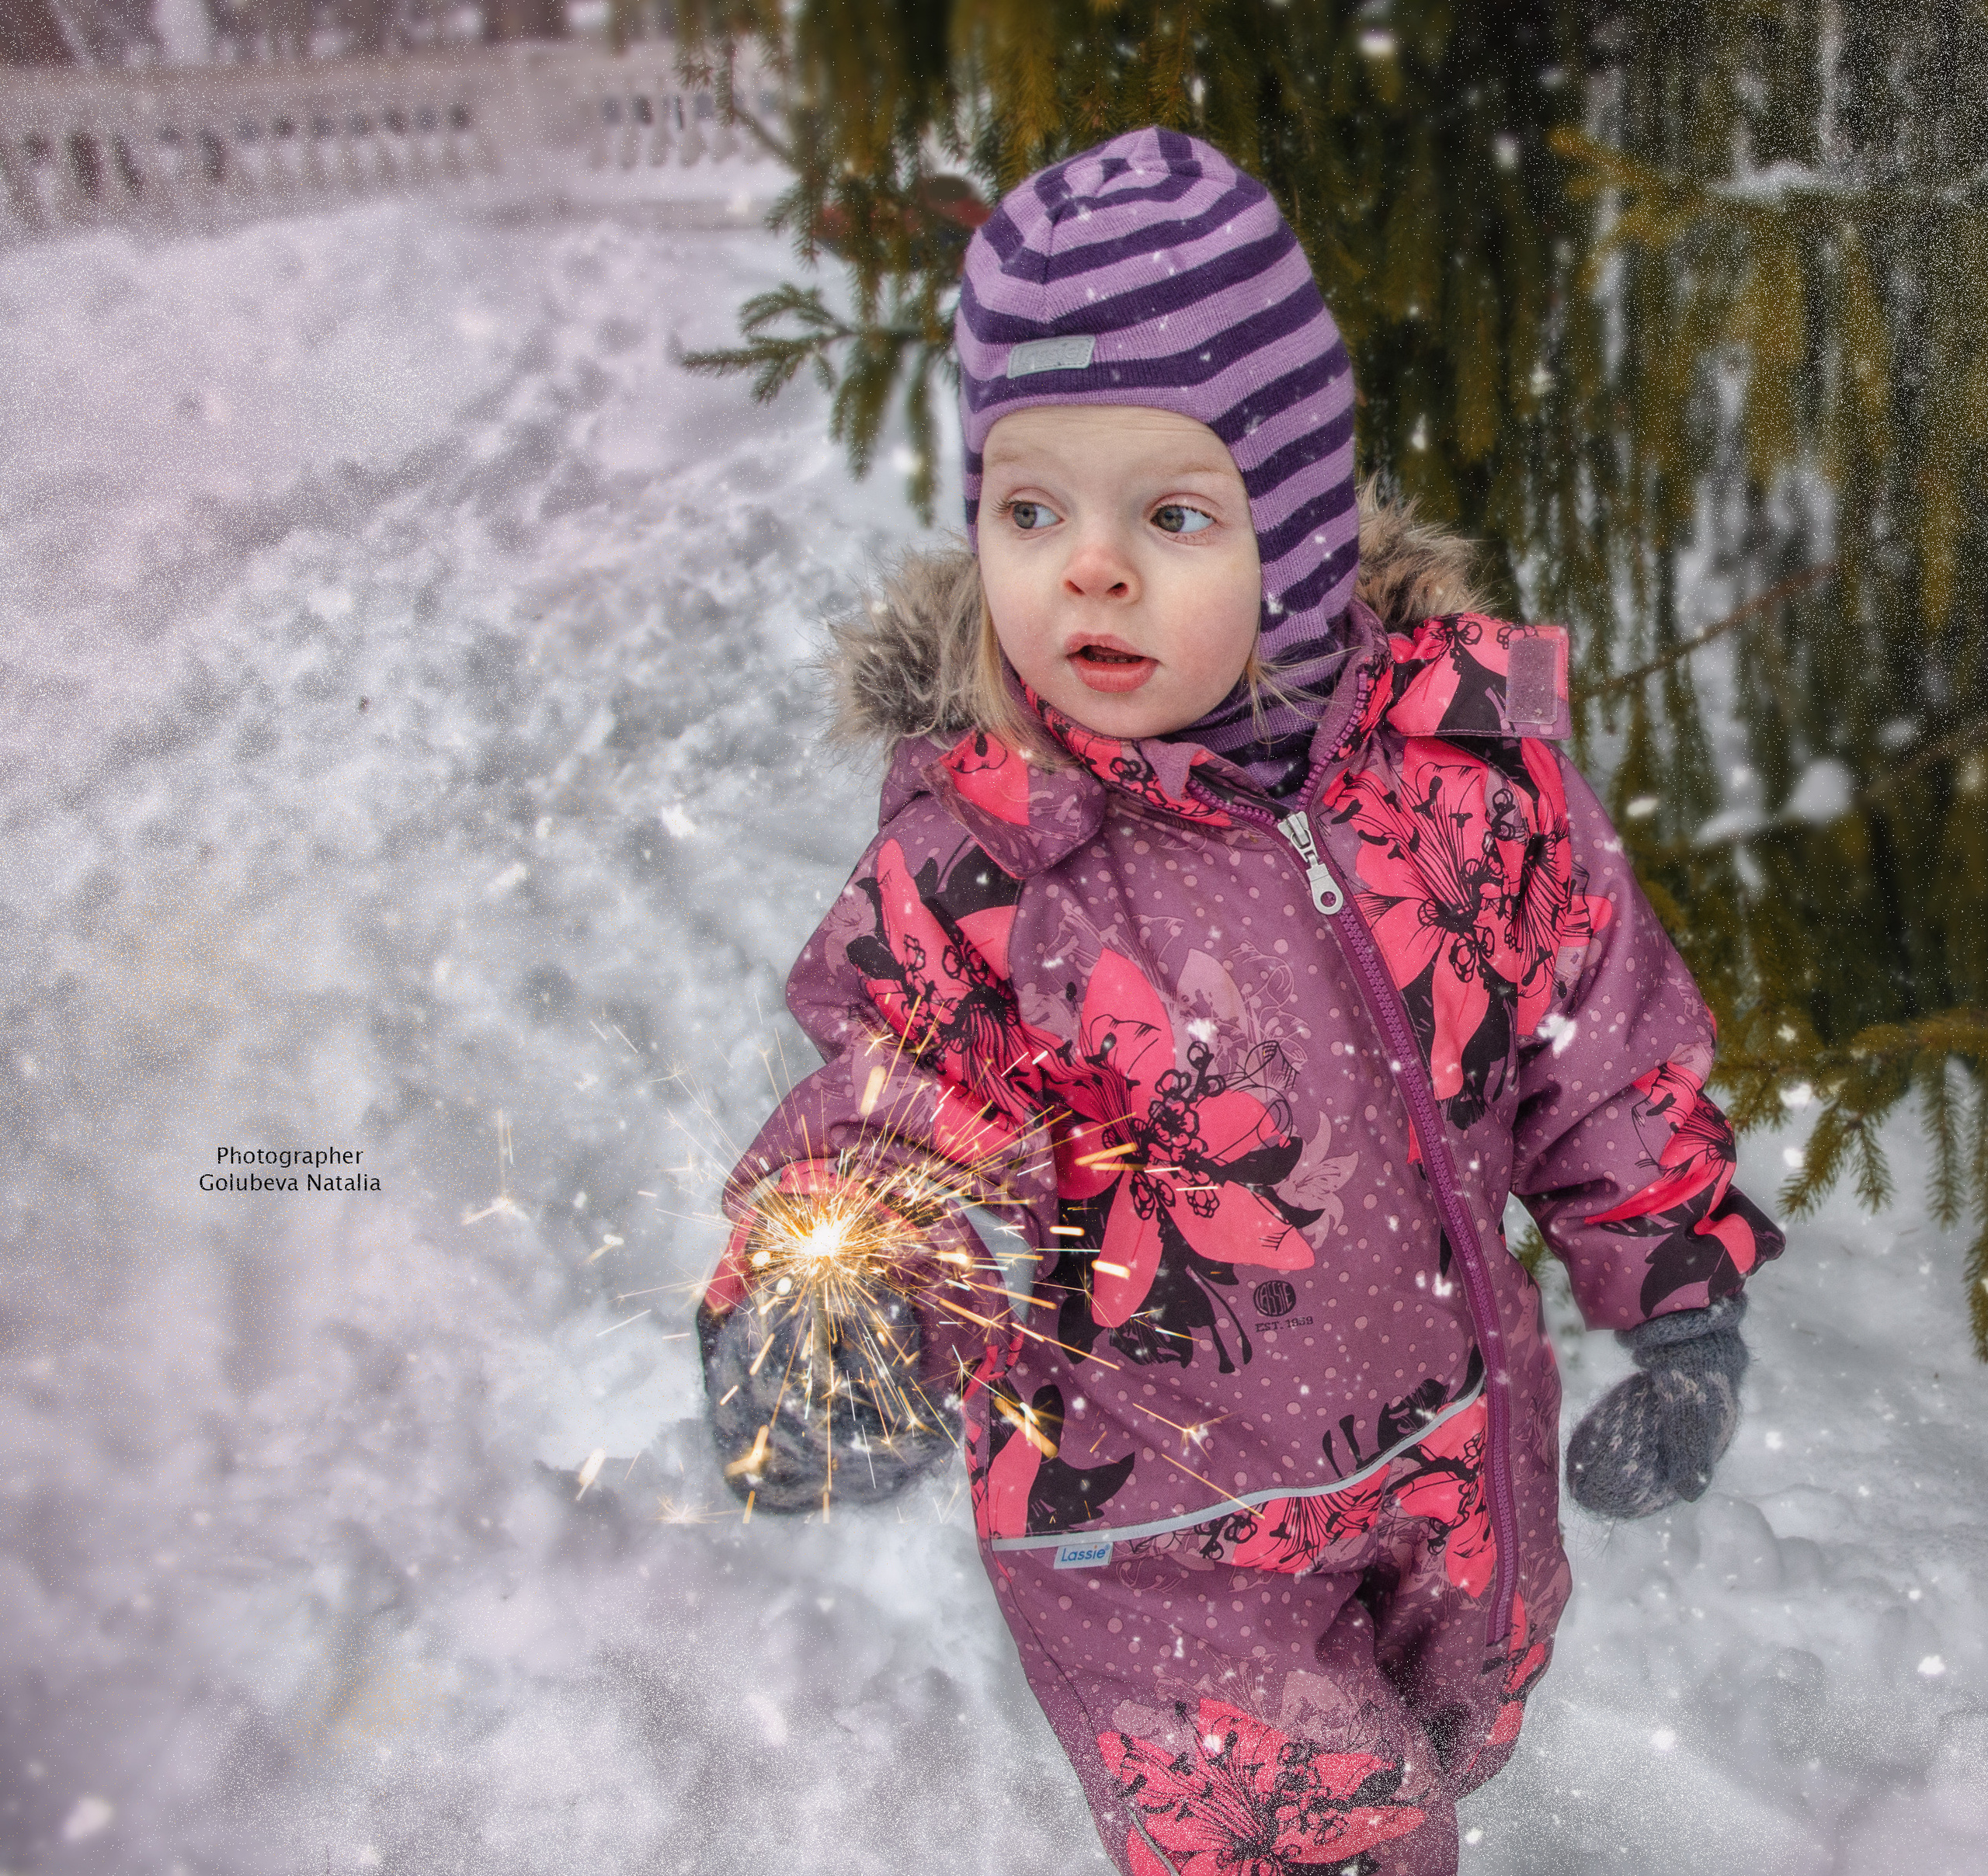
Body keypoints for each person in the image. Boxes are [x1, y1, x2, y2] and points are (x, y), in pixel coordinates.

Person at [697, 127, 1781, 1876]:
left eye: (1170, 514)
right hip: (1154, 1542)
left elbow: (1603, 1044)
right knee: (1316, 1846)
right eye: (1028, 507)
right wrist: (818, 1313)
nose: (1089, 569)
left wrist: (1677, 1298)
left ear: (1290, 530)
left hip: (1452, 1469)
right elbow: (885, 1112)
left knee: (1444, 1745)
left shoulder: (1464, 778)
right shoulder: (990, 861)